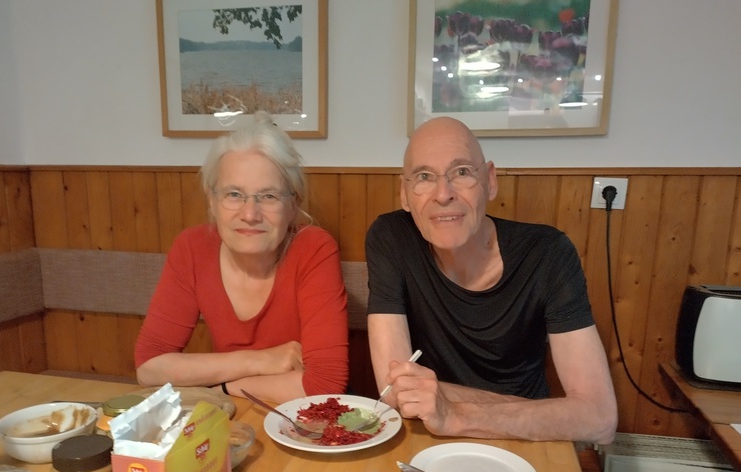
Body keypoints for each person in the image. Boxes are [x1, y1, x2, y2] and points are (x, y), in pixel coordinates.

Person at [365, 116, 617, 444]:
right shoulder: (392, 238)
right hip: (432, 437)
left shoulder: (547, 253)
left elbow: (599, 418)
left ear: (490, 181)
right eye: (424, 176)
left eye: (462, 172)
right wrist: (535, 412)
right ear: (404, 193)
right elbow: (394, 393)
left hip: (526, 442)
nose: (443, 194)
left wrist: (455, 413)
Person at [135, 112, 348, 402]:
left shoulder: (314, 248)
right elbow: (149, 367)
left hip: (301, 418)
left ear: (293, 205)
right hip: (234, 418)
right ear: (212, 201)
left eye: (269, 196)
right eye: (234, 194)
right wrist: (258, 361)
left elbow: (324, 385)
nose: (250, 214)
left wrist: (225, 388)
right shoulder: (192, 247)